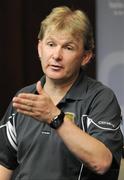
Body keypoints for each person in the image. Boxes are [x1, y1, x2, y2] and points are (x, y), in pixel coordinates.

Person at [0, 6, 123, 180]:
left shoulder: (100, 98)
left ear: (85, 57)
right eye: (51, 44)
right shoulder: (25, 98)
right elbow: (3, 164)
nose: (56, 55)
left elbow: (102, 162)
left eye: (68, 48)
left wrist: (54, 117)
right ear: (39, 48)